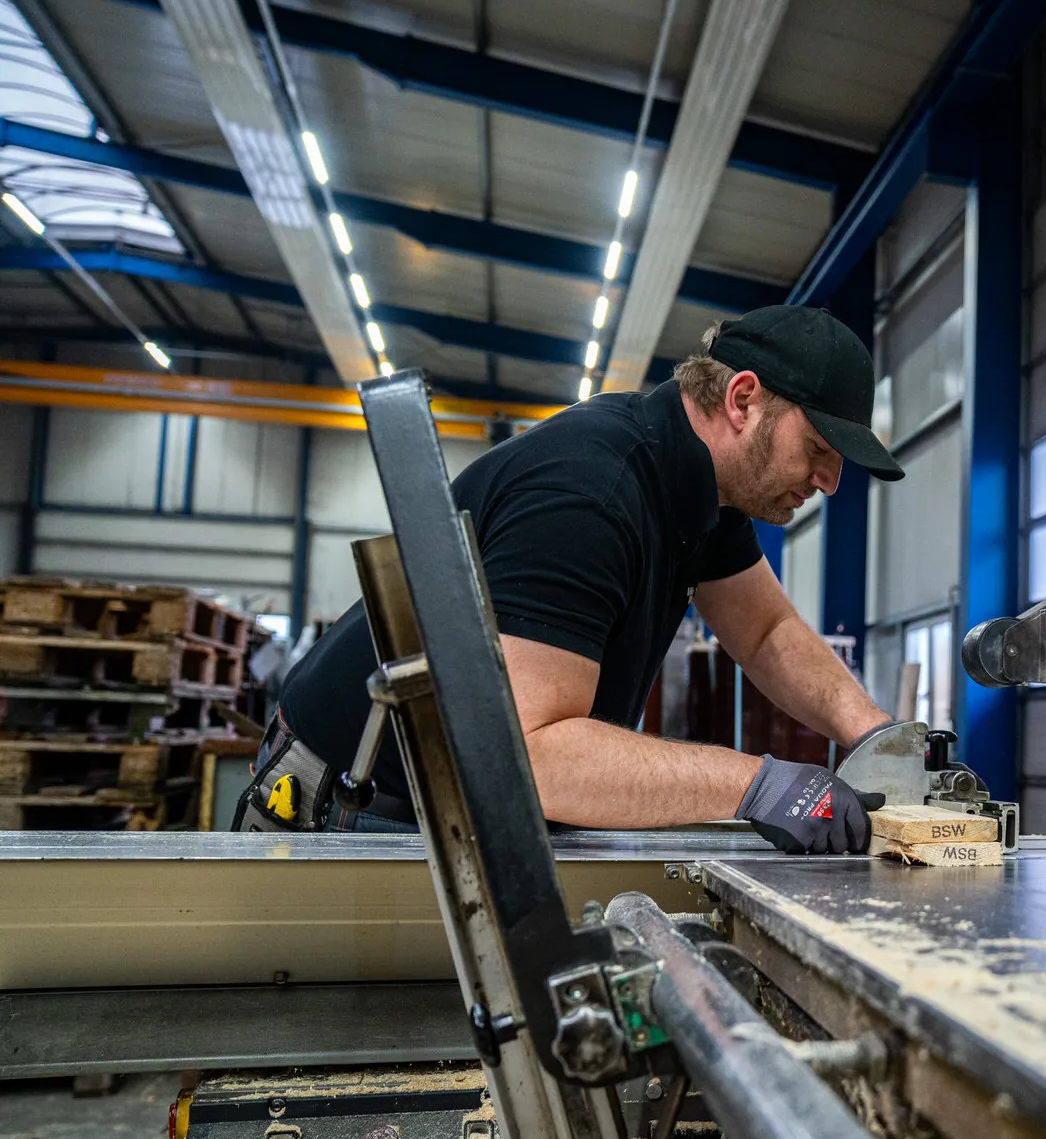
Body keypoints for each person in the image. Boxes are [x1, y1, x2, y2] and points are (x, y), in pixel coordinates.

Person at [235, 305, 902, 853]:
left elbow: (764, 630)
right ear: (742, 399)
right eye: (818, 450)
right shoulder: (595, 491)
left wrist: (876, 734)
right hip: (354, 804)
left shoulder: (700, 489)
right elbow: (534, 755)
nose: (830, 481)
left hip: (453, 805)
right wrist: (758, 784)